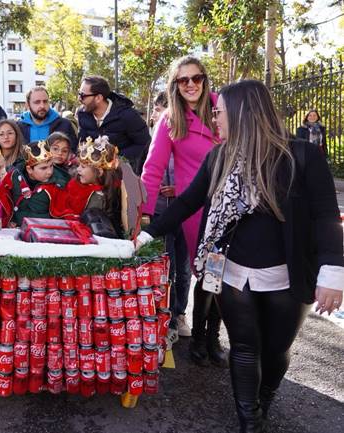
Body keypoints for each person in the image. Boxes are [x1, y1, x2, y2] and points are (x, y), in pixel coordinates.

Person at [136, 79, 343, 433]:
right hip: (231, 271)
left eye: (219, 113)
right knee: (244, 347)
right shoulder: (219, 157)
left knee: (276, 350)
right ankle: (250, 420)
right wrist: (146, 233)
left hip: (287, 274)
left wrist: (333, 273)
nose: (214, 119)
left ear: (243, 114)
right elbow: (188, 201)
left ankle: (265, 398)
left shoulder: (302, 157)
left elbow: (326, 216)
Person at [140, 56, 226, 367]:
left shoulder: (224, 108)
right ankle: (201, 338)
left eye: (197, 78)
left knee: (223, 273)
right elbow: (152, 169)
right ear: (175, 85)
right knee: (205, 272)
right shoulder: (169, 120)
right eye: (183, 80)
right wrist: (145, 216)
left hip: (232, 206)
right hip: (194, 210)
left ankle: (213, 335)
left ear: (205, 79)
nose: (191, 85)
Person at [149, 91, 192, 342]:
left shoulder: (190, 141)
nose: (158, 114)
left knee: (184, 270)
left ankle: (180, 313)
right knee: (169, 268)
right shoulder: (154, 136)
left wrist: (180, 189)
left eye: (163, 109)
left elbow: (199, 175)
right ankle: (169, 319)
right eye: (157, 109)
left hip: (186, 212)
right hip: (161, 213)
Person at [76, 75, 150, 172]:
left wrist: (117, 158)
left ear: (98, 98)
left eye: (83, 95)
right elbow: (83, 141)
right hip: (95, 174)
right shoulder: (82, 114)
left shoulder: (128, 115)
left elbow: (144, 144)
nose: (79, 98)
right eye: (79, 93)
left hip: (123, 174)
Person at [64, 136, 123, 236]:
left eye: (83, 167)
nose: (78, 170)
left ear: (99, 172)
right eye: (79, 165)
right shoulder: (78, 184)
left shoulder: (98, 197)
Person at [4, 141, 71, 225]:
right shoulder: (12, 177)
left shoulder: (60, 183)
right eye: (44, 168)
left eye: (51, 166)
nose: (49, 172)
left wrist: (19, 219)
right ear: (29, 169)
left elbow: (60, 219)